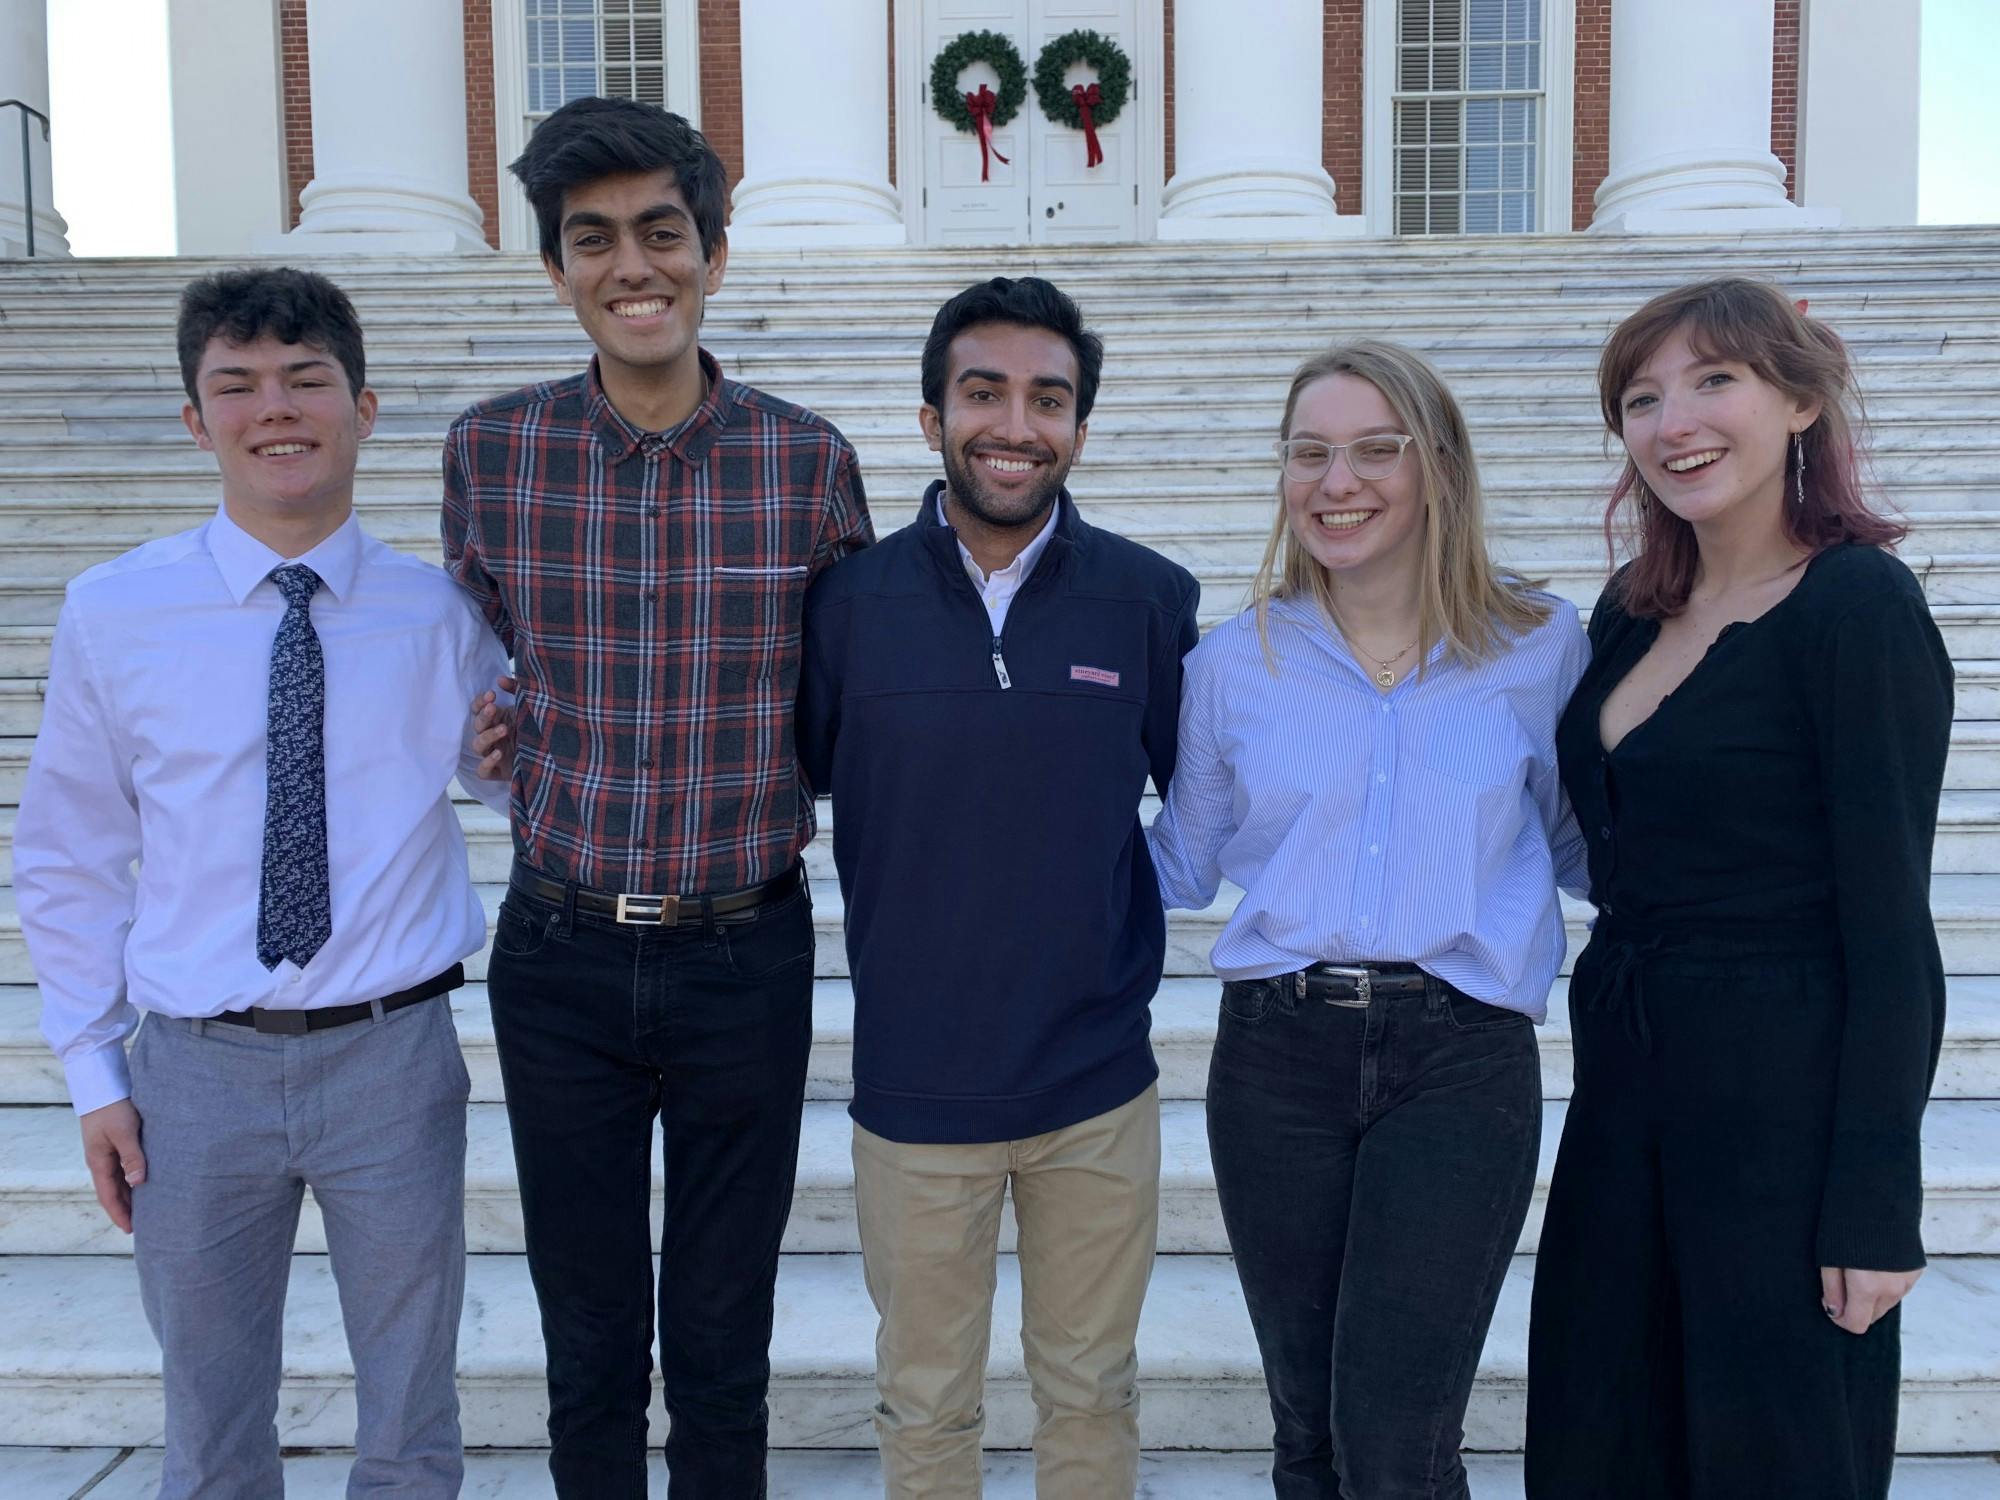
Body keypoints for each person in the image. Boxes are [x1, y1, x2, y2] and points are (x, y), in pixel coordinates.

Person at [13, 267, 509, 1500]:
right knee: (210, 1416)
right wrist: (92, 1073)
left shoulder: (437, 613)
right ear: (196, 419)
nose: (273, 410)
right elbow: (70, 853)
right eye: (235, 385)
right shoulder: (115, 611)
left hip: (392, 1060)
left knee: (410, 1404)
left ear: (364, 405)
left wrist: (520, 754)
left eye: (305, 380)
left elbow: (512, 783)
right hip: (192, 1071)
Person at [441, 95, 872, 1498]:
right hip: (559, 947)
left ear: (715, 252)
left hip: (744, 945)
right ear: (557, 269)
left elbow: (845, 694)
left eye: (661, 233)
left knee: (720, 1326)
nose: (634, 266)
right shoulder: (490, 455)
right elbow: (472, 651)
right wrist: (485, 738)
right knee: (588, 1328)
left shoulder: (807, 465)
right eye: (594, 240)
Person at [1525, 278, 1953, 1498]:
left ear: (1800, 402)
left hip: (1786, 1103)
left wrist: (1875, 1205)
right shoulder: (1627, 612)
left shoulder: (1856, 608)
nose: (1671, 423)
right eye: (1641, 397)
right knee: (1604, 1431)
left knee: (1770, 1450)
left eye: (1713, 381)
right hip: (1625, 1090)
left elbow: (1889, 929)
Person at [1146, 340, 1590, 1499]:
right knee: (1306, 1428)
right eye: (1308, 453)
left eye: (1371, 450)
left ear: (1435, 464)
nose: (1334, 481)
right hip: (1275, 1058)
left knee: (1395, 1436)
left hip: (1461, 1058)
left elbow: (1587, 844)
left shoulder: (1540, 645)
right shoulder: (1229, 663)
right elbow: (1180, 865)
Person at [794, 276, 1199, 1500]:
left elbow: (1207, 796)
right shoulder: (844, 606)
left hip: (1094, 1086)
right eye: (983, 394)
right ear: (930, 417)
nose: (1013, 425)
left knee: (1091, 1391)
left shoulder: (1149, 600)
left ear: (1079, 425)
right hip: (915, 1091)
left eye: (1047, 399)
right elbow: (796, 773)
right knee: (924, 1402)